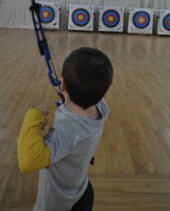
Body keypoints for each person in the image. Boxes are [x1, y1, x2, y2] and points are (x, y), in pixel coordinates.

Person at [17, 47, 113, 211]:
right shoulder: (101, 106)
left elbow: (28, 162)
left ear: (62, 84)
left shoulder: (67, 130)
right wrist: (66, 93)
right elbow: (84, 97)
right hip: (82, 190)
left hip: (58, 201)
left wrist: (32, 117)